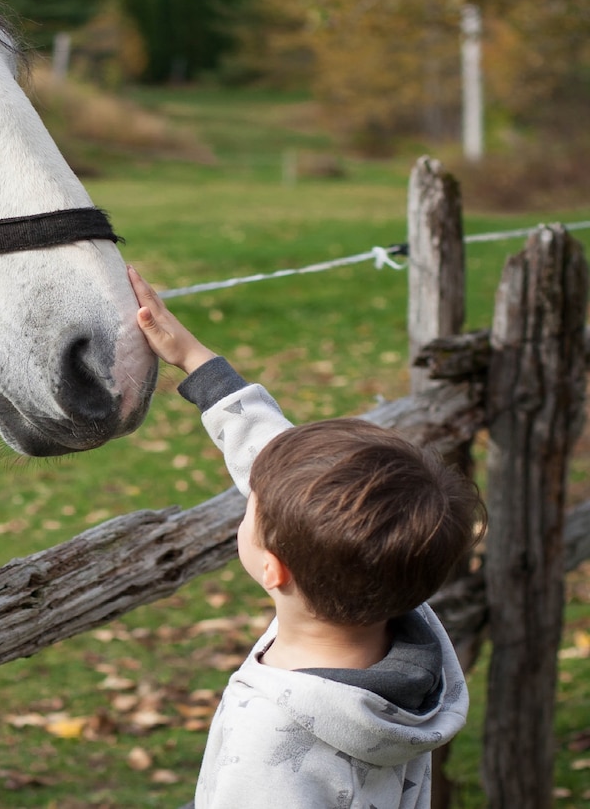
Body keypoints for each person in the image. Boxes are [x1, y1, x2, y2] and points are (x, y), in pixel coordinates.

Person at [128, 266, 485, 809]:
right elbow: (278, 464)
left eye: (253, 508)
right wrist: (197, 362)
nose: (249, 495)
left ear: (274, 567)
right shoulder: (403, 619)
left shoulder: (270, 744)